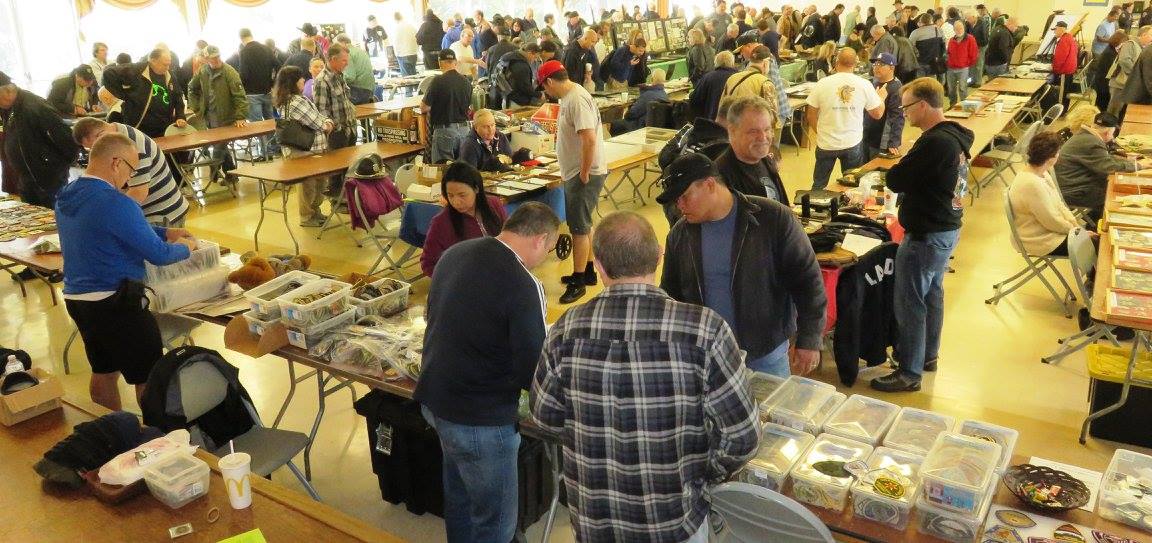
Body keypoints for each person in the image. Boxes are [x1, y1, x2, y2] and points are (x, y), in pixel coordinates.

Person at [531, 210, 759, 542]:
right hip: (675, 522)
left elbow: (545, 418)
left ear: (598, 265)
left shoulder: (565, 330)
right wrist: (703, 475)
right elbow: (742, 437)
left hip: (595, 521)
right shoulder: (706, 330)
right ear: (659, 256)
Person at [413, 202, 559, 543]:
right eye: (549, 250)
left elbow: (433, 316)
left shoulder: (455, 253)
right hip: (480, 421)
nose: (544, 258)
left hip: (435, 400)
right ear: (540, 239)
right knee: (495, 522)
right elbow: (533, 368)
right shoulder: (524, 283)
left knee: (461, 500)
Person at [57, 133, 197, 411]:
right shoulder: (116, 202)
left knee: (104, 370)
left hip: (78, 300)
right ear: (116, 163)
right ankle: (157, 432)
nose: (129, 179)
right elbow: (159, 254)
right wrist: (187, 247)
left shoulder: (67, 194)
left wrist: (164, 232)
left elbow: (109, 227)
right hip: (116, 301)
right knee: (149, 374)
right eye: (131, 170)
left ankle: (111, 427)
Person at [659, 152, 825, 377]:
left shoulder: (774, 219)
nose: (679, 205)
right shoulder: (679, 235)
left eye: (684, 196)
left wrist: (810, 338)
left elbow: (808, 281)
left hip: (765, 355)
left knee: (771, 402)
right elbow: (671, 296)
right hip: (707, 358)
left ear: (709, 185)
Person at [871, 77, 973, 392]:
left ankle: (909, 371)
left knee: (910, 302)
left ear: (924, 105)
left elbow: (896, 179)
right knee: (932, 294)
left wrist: (903, 161)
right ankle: (927, 356)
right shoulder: (955, 136)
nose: (904, 113)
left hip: (926, 234)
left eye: (907, 107)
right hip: (946, 229)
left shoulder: (934, 143)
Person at [539, 60, 607, 304]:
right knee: (585, 225)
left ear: (549, 81)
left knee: (578, 229)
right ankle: (587, 271)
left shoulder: (576, 100)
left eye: (544, 87)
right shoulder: (571, 96)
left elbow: (589, 139)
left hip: (583, 173)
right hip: (577, 171)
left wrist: (584, 172)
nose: (545, 92)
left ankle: (578, 282)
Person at [72, 117, 189, 227]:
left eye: (93, 146)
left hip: (161, 214)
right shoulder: (116, 136)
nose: (94, 150)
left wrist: (109, 216)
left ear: (101, 135)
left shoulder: (134, 147)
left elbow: (138, 192)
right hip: (145, 212)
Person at [806, 48, 884, 189]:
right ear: (855, 63)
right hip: (852, 142)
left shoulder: (822, 83)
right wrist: (881, 98)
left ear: (836, 62)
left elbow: (810, 115)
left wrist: (820, 132)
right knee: (852, 184)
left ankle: (814, 201)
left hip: (826, 143)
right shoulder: (864, 84)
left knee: (819, 184)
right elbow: (878, 114)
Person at [0, 72, 79, 208]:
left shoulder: (35, 107)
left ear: (8, 91)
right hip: (28, 178)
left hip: (47, 179)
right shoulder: (10, 107)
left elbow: (65, 138)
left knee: (55, 215)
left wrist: (58, 167)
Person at [1055, 112, 1152, 223]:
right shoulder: (1092, 142)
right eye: (1113, 134)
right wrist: (1138, 165)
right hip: (1076, 193)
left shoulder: (1085, 136)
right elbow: (1109, 167)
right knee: (1116, 200)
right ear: (1108, 132)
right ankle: (1101, 228)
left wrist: (1130, 162)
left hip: (1072, 187)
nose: (1113, 138)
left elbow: (1106, 159)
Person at [272, 66, 334, 227]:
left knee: (317, 183)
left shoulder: (287, 99)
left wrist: (324, 121)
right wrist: (328, 123)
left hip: (302, 149)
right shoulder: (296, 101)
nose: (303, 80)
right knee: (308, 185)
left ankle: (314, 211)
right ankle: (307, 216)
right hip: (304, 150)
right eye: (300, 78)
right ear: (293, 81)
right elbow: (317, 122)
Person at [419, 162, 508, 276]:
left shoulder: (494, 204)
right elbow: (428, 263)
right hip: (468, 279)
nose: (456, 202)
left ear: (476, 189)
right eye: (450, 195)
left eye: (462, 195)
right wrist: (456, 278)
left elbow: (509, 239)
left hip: (501, 271)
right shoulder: (441, 222)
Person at [1008, 131, 1086, 257]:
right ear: (1051, 158)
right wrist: (1077, 232)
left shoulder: (1042, 173)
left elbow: (1059, 204)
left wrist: (1076, 227)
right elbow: (1051, 221)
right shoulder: (1032, 184)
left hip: (1048, 231)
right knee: (1096, 245)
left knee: (1094, 239)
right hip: (1039, 240)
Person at [186, 45, 248, 182]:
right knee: (220, 144)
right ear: (206, 59)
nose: (217, 60)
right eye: (213, 58)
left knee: (220, 144)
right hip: (209, 117)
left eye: (218, 56)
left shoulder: (229, 72)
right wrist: (196, 107)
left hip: (227, 117)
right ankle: (231, 175)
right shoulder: (202, 71)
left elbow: (240, 96)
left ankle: (214, 170)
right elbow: (191, 88)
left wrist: (240, 116)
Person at [715, 96, 788, 203]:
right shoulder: (721, 179)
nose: (763, 137)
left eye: (767, 129)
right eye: (753, 131)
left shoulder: (766, 161)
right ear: (732, 131)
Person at [101, 48, 187, 139]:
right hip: (140, 126)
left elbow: (178, 97)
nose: (168, 68)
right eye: (165, 64)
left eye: (169, 64)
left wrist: (180, 116)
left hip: (163, 126)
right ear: (153, 61)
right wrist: (123, 96)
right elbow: (108, 74)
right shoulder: (137, 70)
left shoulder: (169, 75)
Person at [312, 43, 357, 194]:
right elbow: (321, 111)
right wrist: (336, 128)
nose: (347, 63)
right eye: (344, 60)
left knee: (350, 170)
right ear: (332, 59)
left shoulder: (340, 76)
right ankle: (336, 200)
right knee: (337, 174)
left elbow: (346, 100)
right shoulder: (322, 80)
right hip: (337, 134)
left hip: (349, 129)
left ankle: (349, 199)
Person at [420, 49, 473, 163]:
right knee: (464, 169)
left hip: (445, 131)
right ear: (455, 62)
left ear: (440, 63)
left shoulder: (437, 81)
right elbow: (469, 107)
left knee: (443, 169)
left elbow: (424, 108)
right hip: (465, 130)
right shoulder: (466, 81)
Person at [720, 45, 780, 128]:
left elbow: (721, 107)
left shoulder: (732, 78)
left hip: (731, 129)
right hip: (752, 131)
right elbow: (772, 117)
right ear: (766, 63)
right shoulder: (765, 83)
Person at [864, 52, 905, 161]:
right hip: (866, 137)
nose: (876, 67)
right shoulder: (873, 83)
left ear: (892, 67)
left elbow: (898, 117)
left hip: (881, 142)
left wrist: (894, 142)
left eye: (881, 64)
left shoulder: (896, 88)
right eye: (875, 64)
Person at [1109, 25, 1152, 115]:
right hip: (1119, 84)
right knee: (1114, 112)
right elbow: (1123, 60)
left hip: (1127, 84)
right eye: (1151, 35)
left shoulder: (1142, 47)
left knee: (1122, 112)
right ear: (1143, 35)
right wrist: (1134, 73)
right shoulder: (1131, 43)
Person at [617, 68, 669, 133]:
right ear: (664, 80)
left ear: (651, 79)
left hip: (640, 126)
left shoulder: (648, 95)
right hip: (652, 126)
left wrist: (626, 113)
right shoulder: (664, 94)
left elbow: (632, 114)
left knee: (612, 124)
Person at [690, 51, 738, 120]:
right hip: (734, 118)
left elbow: (694, 99)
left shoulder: (707, 77)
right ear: (732, 63)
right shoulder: (739, 77)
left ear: (715, 63)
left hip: (712, 119)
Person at [492, 43, 539, 108]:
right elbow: (525, 87)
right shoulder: (521, 65)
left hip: (505, 97)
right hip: (517, 102)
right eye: (535, 57)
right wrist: (539, 95)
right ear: (530, 53)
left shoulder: (510, 57)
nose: (535, 60)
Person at [335, 34, 377, 103]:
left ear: (342, 43)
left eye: (337, 45)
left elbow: (350, 77)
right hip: (370, 90)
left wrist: (336, 81)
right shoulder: (361, 51)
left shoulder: (347, 54)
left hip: (359, 91)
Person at [946, 21, 977, 105]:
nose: (959, 30)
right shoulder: (951, 40)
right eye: (956, 29)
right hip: (951, 69)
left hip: (963, 68)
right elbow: (948, 53)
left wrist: (967, 64)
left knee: (962, 88)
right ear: (954, 30)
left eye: (960, 28)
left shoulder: (970, 39)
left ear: (964, 28)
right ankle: (953, 105)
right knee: (951, 89)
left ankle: (965, 106)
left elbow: (974, 54)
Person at [1051, 21, 1080, 110]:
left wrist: (1054, 70)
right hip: (1070, 69)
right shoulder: (1070, 38)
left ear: (1061, 29)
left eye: (1055, 29)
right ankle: (1064, 109)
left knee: (1062, 94)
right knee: (1066, 92)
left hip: (1064, 71)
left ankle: (1060, 110)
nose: (1054, 32)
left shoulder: (1063, 40)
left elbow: (1060, 58)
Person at [1095, 32, 1125, 111]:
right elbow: (1111, 70)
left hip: (1103, 81)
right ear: (1118, 41)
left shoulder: (1111, 49)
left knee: (1102, 103)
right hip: (1103, 83)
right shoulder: (1110, 53)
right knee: (1102, 105)